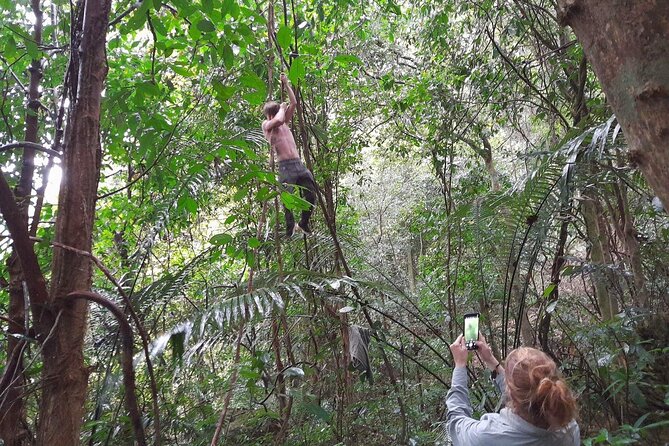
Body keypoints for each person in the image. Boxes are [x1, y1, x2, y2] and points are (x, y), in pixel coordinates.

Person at [446, 334, 579, 445]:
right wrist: (490, 360)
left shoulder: (489, 436)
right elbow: (528, 393)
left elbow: (456, 423)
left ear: (511, 392)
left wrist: (460, 365)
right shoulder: (568, 428)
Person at [262, 73, 317, 237]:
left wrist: (286, 84)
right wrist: (281, 108)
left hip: (298, 165)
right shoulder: (268, 125)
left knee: (311, 194)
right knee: (288, 199)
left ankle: (303, 224)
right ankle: (290, 229)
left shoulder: (284, 123)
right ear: (272, 114)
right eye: (278, 111)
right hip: (285, 167)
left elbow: (294, 102)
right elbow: (277, 120)